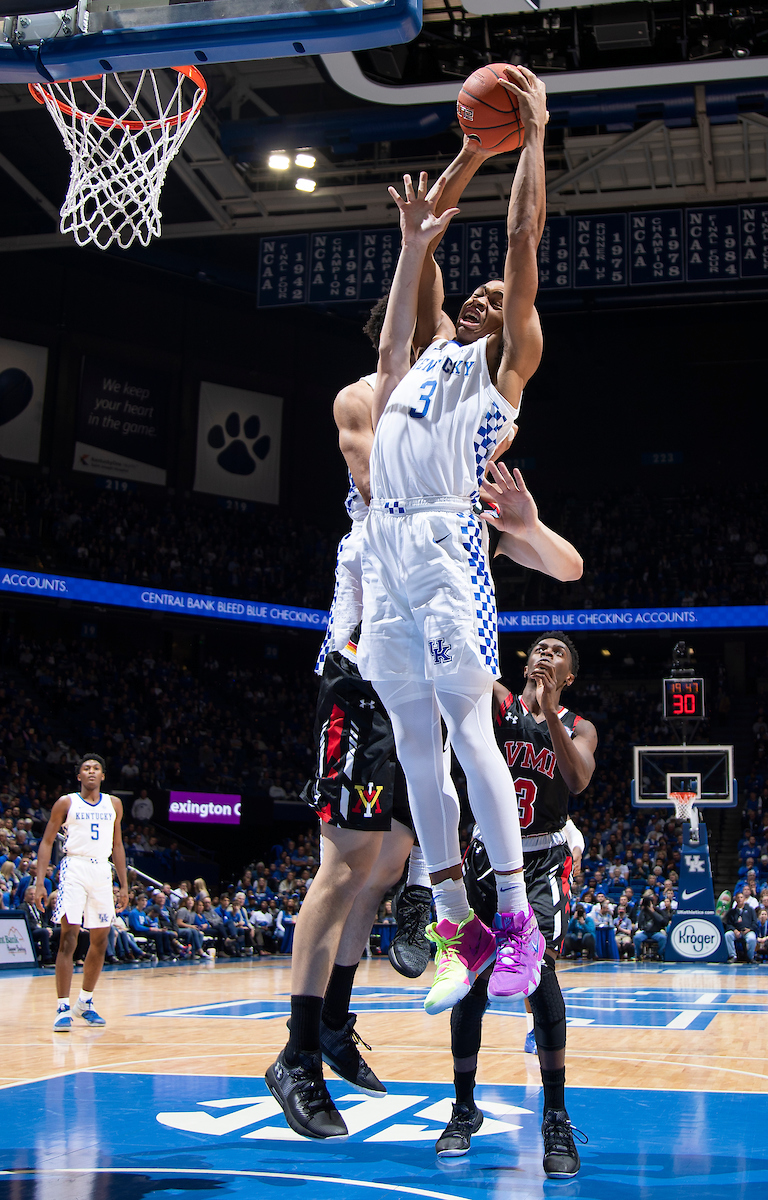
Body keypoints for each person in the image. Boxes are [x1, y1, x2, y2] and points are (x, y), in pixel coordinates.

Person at [266, 141, 499, 1142]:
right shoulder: (364, 401)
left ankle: (338, 1023)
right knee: (344, 858)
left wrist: (463, 176)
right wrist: (421, 235)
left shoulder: (456, 410)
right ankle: (291, 1049)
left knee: (396, 848)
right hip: (359, 659)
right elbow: (382, 484)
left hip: (416, 649)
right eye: (434, 329)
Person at [359, 68, 551, 1031]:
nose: (478, 299)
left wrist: (533, 135)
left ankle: (516, 920)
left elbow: (520, 244)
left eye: (491, 297)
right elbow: (421, 269)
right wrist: (468, 154)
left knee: (470, 733)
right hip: (383, 544)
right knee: (410, 743)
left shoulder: (501, 368)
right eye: (467, 297)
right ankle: (454, 923)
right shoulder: (428, 351)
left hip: (442, 541)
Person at [435, 632, 596, 1179]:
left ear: (569, 677)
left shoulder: (577, 726)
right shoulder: (498, 702)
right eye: (540, 648)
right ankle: (463, 1107)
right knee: (471, 983)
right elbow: (458, 679)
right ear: (526, 661)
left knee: (539, 977)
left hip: (544, 861)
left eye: (559, 654)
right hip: (487, 854)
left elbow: (577, 779)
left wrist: (550, 713)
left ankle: (555, 1114)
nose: (546, 654)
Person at [34, 754, 128, 1030]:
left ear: (102, 775)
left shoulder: (114, 804)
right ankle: (63, 1006)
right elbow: (47, 841)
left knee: (100, 939)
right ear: (79, 776)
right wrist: (40, 881)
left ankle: (85, 1001)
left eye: (96, 768)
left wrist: (123, 885)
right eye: (86, 768)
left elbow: (118, 846)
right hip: (74, 867)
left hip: (101, 870)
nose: (90, 772)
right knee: (69, 936)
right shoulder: (66, 802)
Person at [724, 890, 757, 962]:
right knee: (727, 935)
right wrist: (735, 930)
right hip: (736, 932)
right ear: (735, 899)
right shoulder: (732, 912)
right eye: (738, 897)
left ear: (744, 899)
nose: (739, 899)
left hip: (747, 931)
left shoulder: (750, 910)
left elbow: (755, 923)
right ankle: (733, 956)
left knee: (752, 938)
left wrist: (749, 929)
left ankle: (750, 957)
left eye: (741, 897)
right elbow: (729, 924)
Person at [634, 895, 669, 960]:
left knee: (663, 938)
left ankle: (660, 954)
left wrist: (653, 911)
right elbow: (640, 923)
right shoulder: (643, 911)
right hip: (645, 932)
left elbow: (663, 921)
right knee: (636, 938)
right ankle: (638, 955)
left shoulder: (658, 910)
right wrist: (643, 910)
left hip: (656, 932)